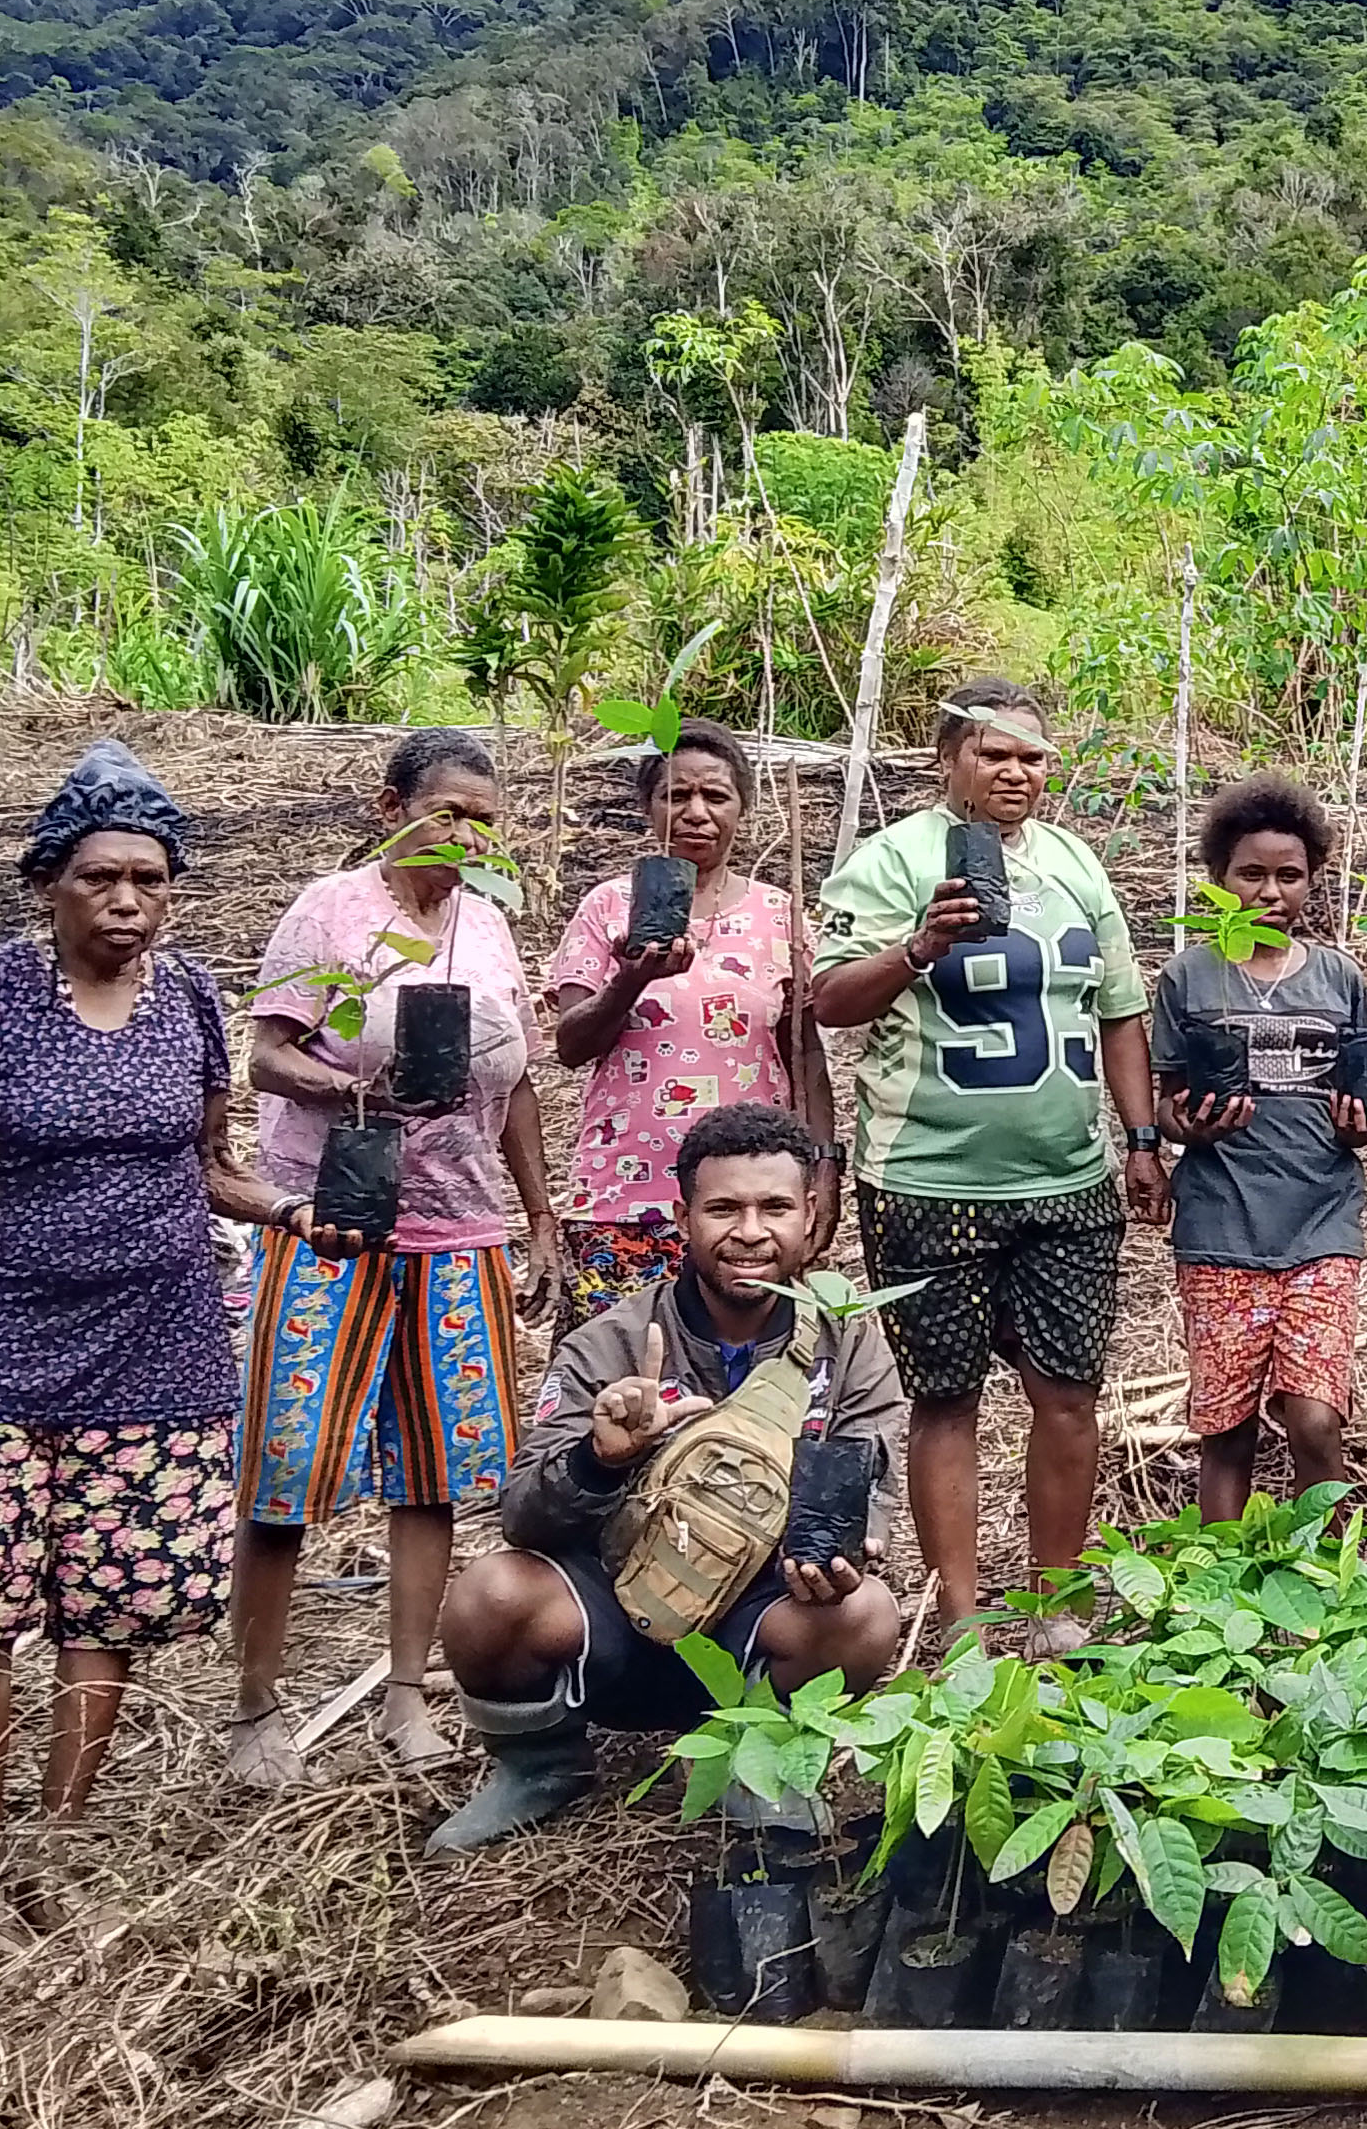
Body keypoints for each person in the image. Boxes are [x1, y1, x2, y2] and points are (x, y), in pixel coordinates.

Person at [0, 743, 346, 1901]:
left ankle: (59, 1831)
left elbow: (212, 1167)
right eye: (101, 879)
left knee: (111, 1589)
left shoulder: (186, 1000)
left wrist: (292, 1210)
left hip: (156, 1328)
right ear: (51, 885)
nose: (128, 902)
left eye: (149, 879)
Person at [426, 1103, 907, 1852]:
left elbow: (869, 1492)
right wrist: (603, 1457)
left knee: (867, 1615)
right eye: (723, 1208)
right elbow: (519, 1516)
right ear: (683, 1218)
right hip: (613, 1616)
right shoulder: (613, 1339)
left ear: (812, 1215)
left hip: (759, 1623)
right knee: (491, 1592)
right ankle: (538, 1764)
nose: (750, 1232)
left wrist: (840, 1558)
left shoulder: (848, 1346)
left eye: (774, 1206)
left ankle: (760, 1762)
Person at [230, 726, 562, 1786]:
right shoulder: (329, 911)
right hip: (331, 1223)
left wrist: (538, 1217)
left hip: (457, 1230)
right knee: (288, 1467)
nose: (464, 835)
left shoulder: (490, 929)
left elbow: (512, 1089)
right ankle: (256, 1706)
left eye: (483, 820)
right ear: (391, 807)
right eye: (447, 812)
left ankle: (407, 1695)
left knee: (430, 1476)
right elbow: (267, 1058)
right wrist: (354, 1093)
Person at [812, 676, 1166, 1646]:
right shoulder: (893, 862)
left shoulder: (1074, 865)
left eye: (1031, 757)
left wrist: (1139, 1138)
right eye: (992, 753)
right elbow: (831, 1001)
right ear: (947, 759)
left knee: (1067, 1392)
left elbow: (1121, 1010)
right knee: (945, 1395)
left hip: (1066, 1180)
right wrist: (922, 944)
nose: (1014, 772)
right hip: (928, 1178)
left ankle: (1056, 1605)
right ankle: (961, 1616)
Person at [1156, 773, 1367, 1523]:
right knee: (1224, 1428)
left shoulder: (1338, 977)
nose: (1270, 892)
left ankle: (1324, 1571)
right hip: (1220, 1224)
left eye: (1288, 876)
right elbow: (1166, 1099)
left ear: (1312, 881)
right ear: (1219, 880)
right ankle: (1219, 1582)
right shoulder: (1187, 977)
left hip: (1322, 1219)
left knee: (1316, 1418)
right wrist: (1184, 1124)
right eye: (1251, 875)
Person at [541, 717, 833, 1319]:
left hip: (750, 1200)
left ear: (741, 809)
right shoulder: (608, 907)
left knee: (744, 1379)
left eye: (715, 796)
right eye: (677, 795)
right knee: (614, 1371)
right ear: (649, 807)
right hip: (628, 1189)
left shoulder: (778, 914)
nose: (696, 812)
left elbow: (803, 1055)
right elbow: (571, 1045)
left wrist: (823, 1172)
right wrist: (631, 978)